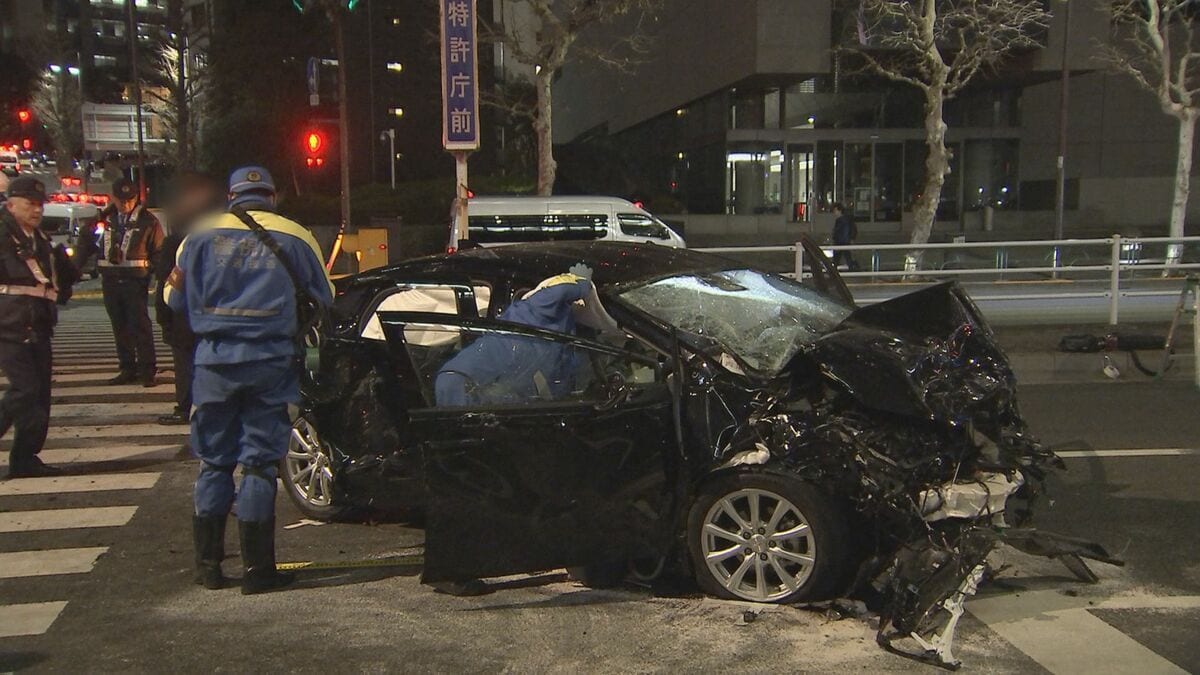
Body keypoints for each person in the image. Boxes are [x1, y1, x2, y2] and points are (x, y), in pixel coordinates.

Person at [165, 166, 333, 594]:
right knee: (259, 464)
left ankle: (209, 568)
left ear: (232, 195)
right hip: (271, 362)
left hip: (214, 362)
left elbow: (172, 298)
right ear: (272, 196)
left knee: (214, 461)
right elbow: (324, 297)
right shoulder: (296, 235)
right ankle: (259, 573)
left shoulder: (198, 234)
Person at [0, 177, 79, 478]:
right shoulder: (2, 235)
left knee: (39, 395)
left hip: (39, 326)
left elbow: (59, 280)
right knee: (24, 389)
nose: (36, 210)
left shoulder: (41, 240)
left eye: (39, 205)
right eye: (29, 204)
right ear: (10, 204)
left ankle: (25, 458)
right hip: (9, 325)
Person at [154, 174, 221, 425]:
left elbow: (166, 283)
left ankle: (186, 407)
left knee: (185, 364)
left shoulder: (176, 242)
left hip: (185, 314)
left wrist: (164, 318)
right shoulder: (220, 237)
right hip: (212, 315)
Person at [84, 177, 164, 386]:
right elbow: (87, 244)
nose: (125, 204)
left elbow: (159, 252)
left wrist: (158, 277)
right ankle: (127, 368)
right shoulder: (104, 219)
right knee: (119, 326)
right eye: (121, 200)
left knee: (140, 326)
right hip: (110, 280)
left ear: (136, 198)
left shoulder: (147, 221)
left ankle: (147, 370)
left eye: (129, 200)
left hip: (135, 282)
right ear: (113, 198)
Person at [831, 202, 859, 271]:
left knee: (840, 258)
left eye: (835, 211)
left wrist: (838, 241)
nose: (834, 213)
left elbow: (843, 232)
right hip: (843, 242)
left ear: (839, 211)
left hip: (841, 242)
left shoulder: (842, 221)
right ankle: (853, 268)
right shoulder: (844, 220)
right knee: (847, 257)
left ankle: (852, 268)